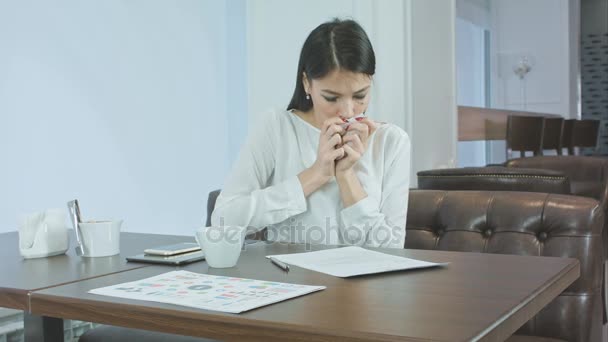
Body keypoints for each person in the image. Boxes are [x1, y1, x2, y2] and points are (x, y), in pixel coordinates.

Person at [211, 18, 410, 248]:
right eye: (331, 97)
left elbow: (392, 251)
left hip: (365, 284)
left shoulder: (392, 141)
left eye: (360, 96)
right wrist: (316, 174)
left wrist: (346, 176)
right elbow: (223, 221)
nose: (347, 110)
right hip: (289, 281)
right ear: (307, 83)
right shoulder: (276, 127)